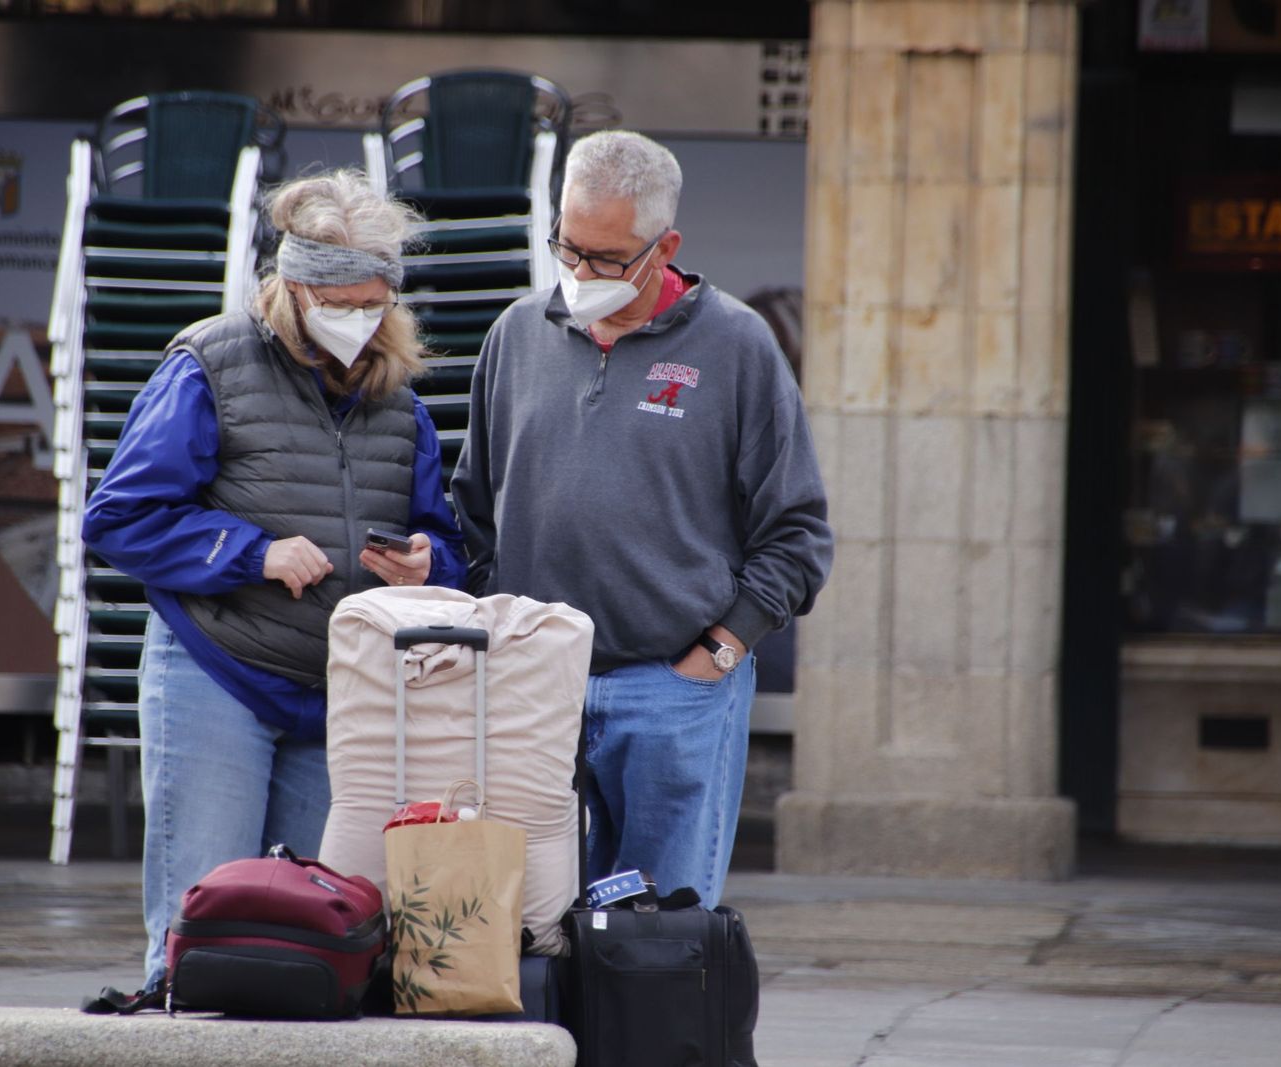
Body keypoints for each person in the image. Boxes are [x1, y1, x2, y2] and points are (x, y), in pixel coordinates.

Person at [82, 169, 467, 992]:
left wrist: (431, 561)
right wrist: (253, 551)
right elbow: (119, 517)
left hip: (338, 694)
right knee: (206, 922)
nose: (360, 323)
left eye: (376, 306)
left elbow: (450, 540)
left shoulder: (401, 399)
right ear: (295, 290)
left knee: (312, 936)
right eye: (344, 304)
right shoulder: (211, 364)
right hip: (216, 671)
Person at [451, 130, 832, 908]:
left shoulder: (738, 346)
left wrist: (717, 655)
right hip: (533, 690)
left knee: (659, 942)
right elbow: (474, 509)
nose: (582, 273)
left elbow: (796, 532)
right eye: (569, 248)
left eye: (608, 258)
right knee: (522, 930)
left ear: (666, 247)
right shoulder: (515, 336)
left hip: (673, 691)